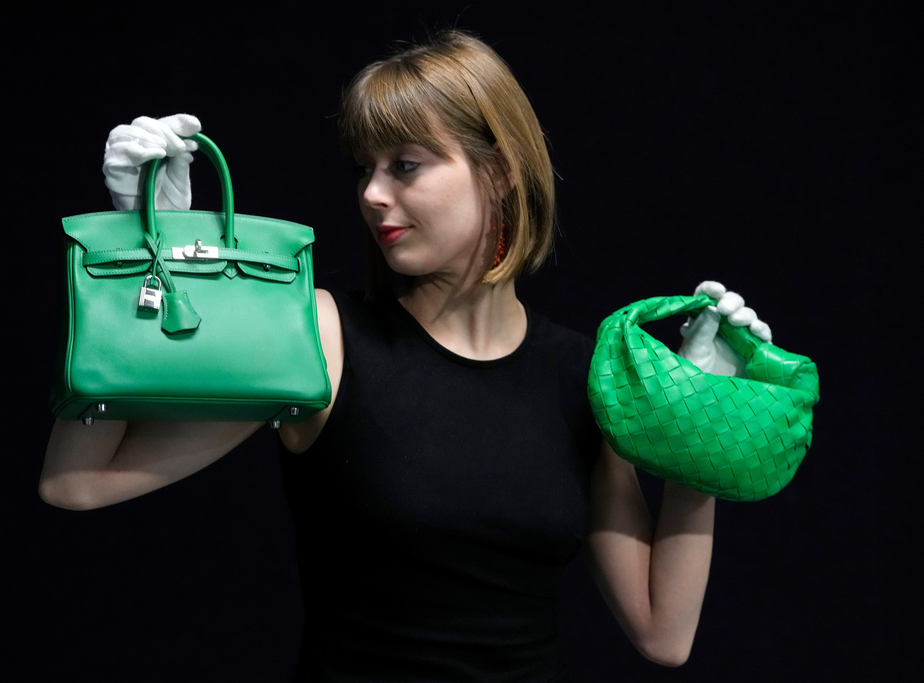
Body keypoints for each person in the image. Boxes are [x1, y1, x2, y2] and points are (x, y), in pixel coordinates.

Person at [40, 30, 773, 681]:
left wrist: (696, 426)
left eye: (406, 165)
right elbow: (78, 481)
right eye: (365, 168)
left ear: (499, 172)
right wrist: (151, 254)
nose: (371, 194)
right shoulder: (323, 336)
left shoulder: (585, 378)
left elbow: (663, 632)